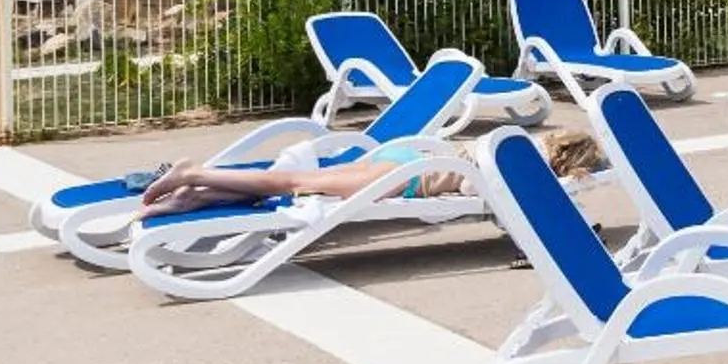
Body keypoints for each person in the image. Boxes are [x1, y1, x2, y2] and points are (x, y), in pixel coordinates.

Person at [138, 125, 601, 219]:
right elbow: (466, 180)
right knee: (292, 183)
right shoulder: (528, 163)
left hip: (404, 161)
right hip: (411, 177)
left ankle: (199, 194)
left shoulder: (519, 140)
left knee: (295, 188)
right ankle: (192, 173)